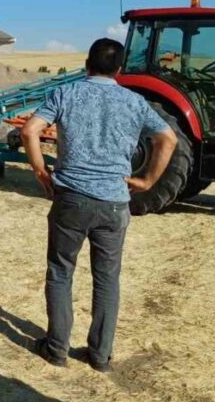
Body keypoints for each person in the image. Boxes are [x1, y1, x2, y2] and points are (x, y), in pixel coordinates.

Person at [22, 38, 177, 372]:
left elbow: (30, 131)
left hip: (71, 199)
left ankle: (57, 348)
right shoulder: (135, 102)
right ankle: (100, 355)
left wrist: (40, 171)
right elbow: (168, 138)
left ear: (86, 64)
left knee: (61, 271)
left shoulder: (65, 94)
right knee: (107, 279)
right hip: (114, 204)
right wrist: (148, 181)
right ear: (119, 69)